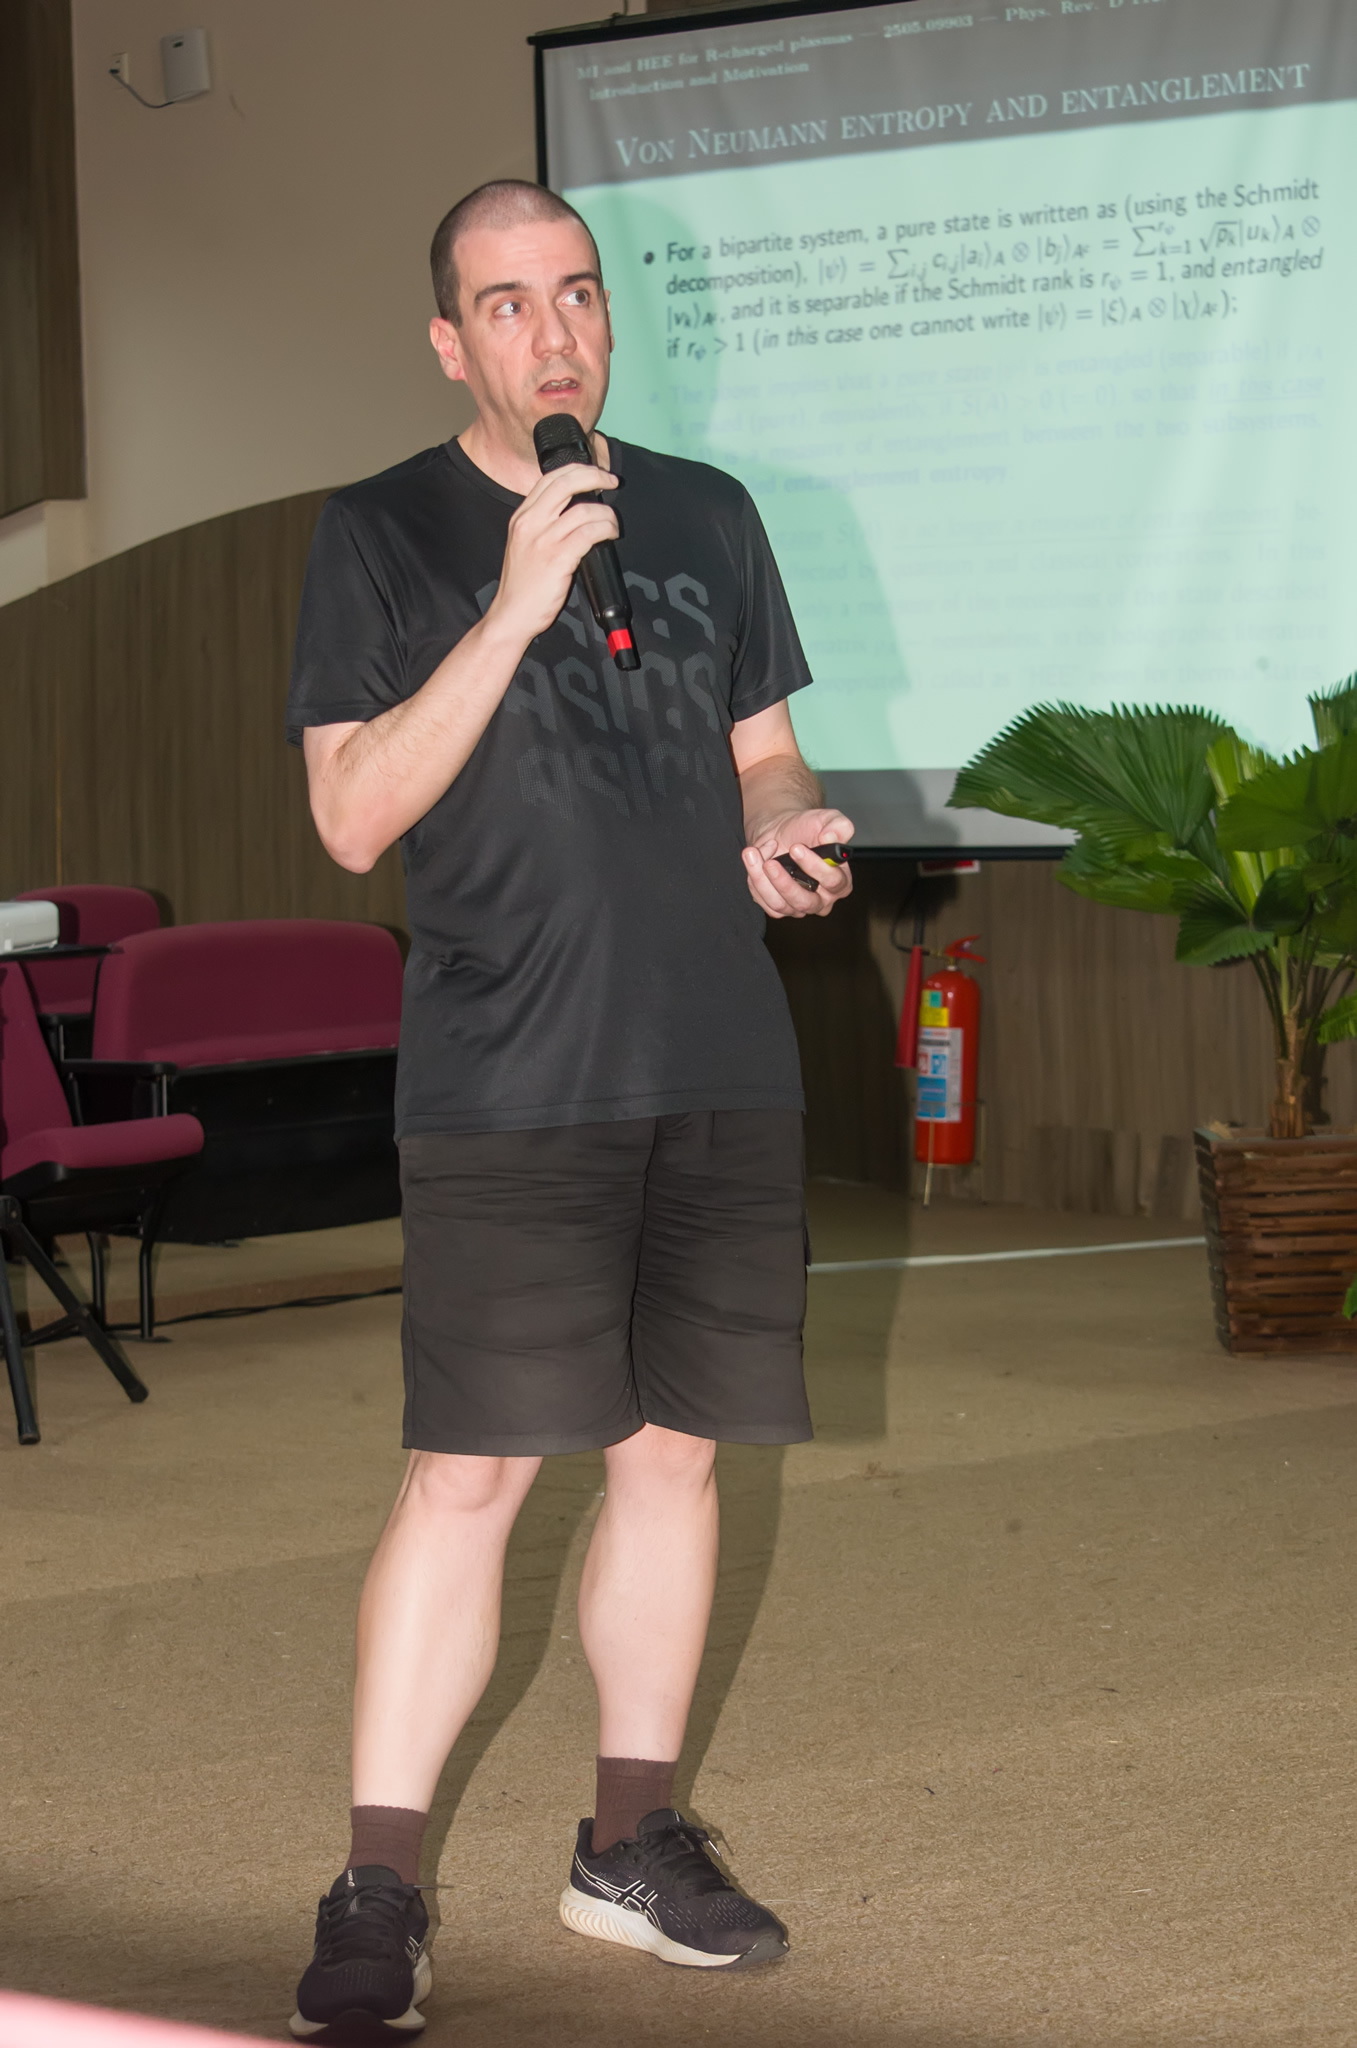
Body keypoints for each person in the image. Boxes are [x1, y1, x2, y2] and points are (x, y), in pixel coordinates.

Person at [284, 178, 854, 2038]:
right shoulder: (378, 532)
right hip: (510, 1073)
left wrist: (781, 822)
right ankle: (378, 1880)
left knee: (675, 1456)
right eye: (508, 303)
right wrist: (516, 600)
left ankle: (627, 1841)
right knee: (470, 1475)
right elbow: (352, 814)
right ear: (449, 342)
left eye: (578, 295)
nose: (553, 333)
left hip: (714, 1053)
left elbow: (762, 744)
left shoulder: (708, 510)